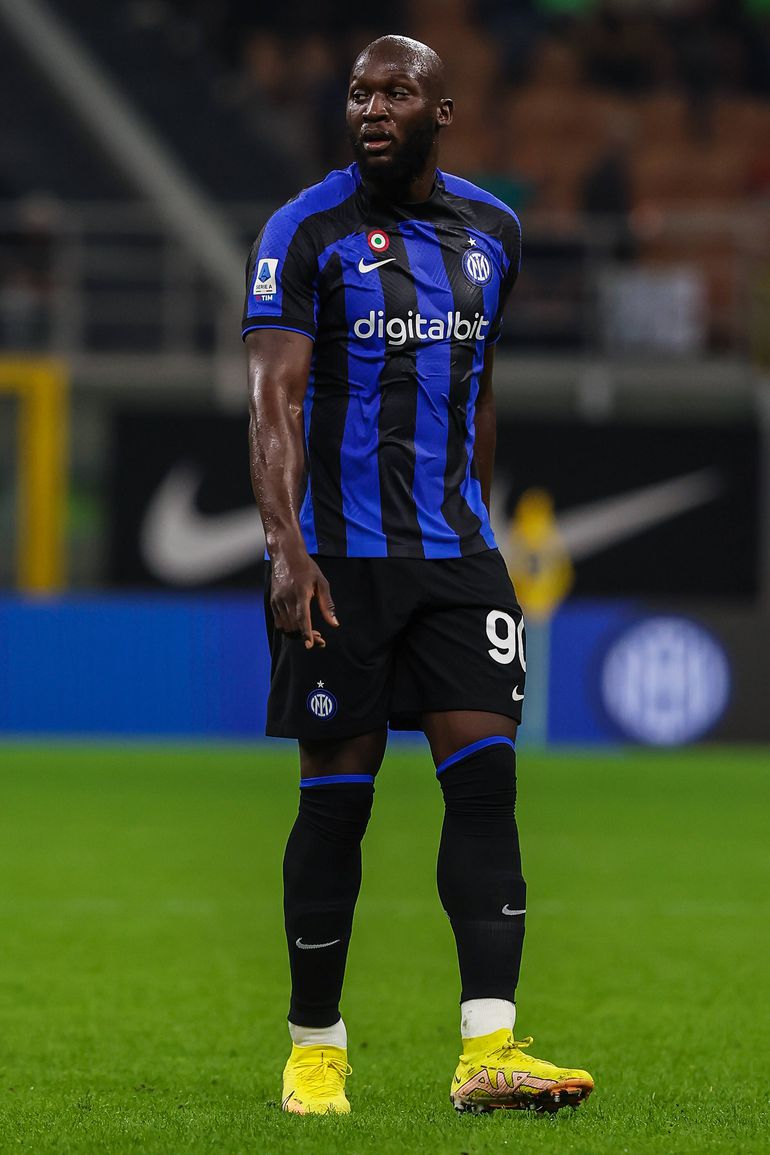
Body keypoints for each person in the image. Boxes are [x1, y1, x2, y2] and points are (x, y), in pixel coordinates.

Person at [243, 34, 594, 1116]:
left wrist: (476, 522)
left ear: (441, 112)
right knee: (337, 801)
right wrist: (286, 548)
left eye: (395, 93)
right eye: (359, 93)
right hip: (340, 561)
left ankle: (489, 1050)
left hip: (456, 559)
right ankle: (315, 1052)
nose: (371, 109)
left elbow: (477, 387)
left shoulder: (493, 233)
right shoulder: (303, 231)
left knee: (485, 784)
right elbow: (272, 400)